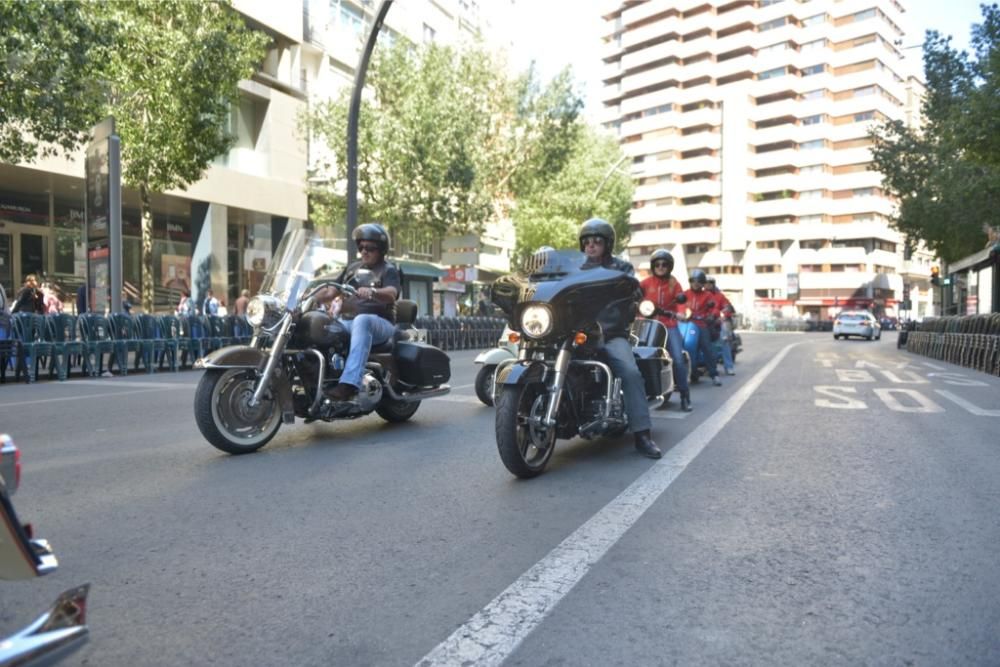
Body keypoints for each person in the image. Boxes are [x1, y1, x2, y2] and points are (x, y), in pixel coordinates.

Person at [578, 218, 661, 459]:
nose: (591, 246)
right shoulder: (575, 269)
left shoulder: (621, 268)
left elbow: (632, 290)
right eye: (587, 242)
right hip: (576, 333)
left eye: (597, 242)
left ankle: (642, 435)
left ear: (608, 244)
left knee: (630, 371)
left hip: (609, 333)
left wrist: (628, 290)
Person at [315, 223, 401, 402]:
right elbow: (331, 292)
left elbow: (392, 293)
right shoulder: (353, 269)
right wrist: (306, 296)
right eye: (361, 247)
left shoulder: (388, 269)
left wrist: (373, 292)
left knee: (362, 320)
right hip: (349, 322)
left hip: (380, 324)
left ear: (381, 250)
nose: (364, 251)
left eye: (370, 248)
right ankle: (315, 380)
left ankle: (349, 384)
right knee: (319, 324)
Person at [640, 249, 692, 412]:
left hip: (669, 324)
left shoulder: (674, 284)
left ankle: (685, 396)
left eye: (664, 264)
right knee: (639, 357)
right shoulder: (645, 283)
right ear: (653, 266)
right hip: (648, 325)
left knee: (677, 359)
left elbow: (682, 301)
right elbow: (635, 298)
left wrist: (681, 313)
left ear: (669, 267)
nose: (660, 267)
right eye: (657, 264)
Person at [683, 269, 722, 387]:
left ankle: (714, 374)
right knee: (684, 347)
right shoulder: (685, 294)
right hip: (687, 324)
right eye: (693, 281)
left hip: (702, 324)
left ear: (703, 283)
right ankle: (689, 373)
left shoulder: (708, 295)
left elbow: (715, 308)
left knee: (707, 348)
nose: (696, 283)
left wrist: (712, 315)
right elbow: (678, 306)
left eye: (699, 281)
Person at [705, 276, 735, 376]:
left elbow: (727, 306)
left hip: (717, 322)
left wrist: (723, 314)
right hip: (702, 322)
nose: (707, 285)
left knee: (724, 340)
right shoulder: (699, 295)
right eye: (705, 283)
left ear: (713, 284)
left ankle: (729, 366)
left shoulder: (719, 296)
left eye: (710, 283)